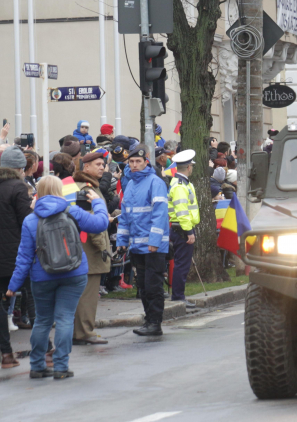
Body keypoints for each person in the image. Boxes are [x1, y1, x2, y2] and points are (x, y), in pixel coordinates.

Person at [5, 176, 108, 379]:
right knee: (65, 318)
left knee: (42, 321)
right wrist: (97, 201)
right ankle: (61, 366)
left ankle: (37, 365)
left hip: (42, 276)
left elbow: (24, 257)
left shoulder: (30, 219)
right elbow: (101, 223)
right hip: (74, 272)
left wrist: (13, 286)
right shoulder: (72, 212)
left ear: (38, 193)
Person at [117, 144, 170, 337]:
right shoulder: (130, 184)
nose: (134, 165)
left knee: (153, 286)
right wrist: (121, 241)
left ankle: (155, 323)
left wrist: (154, 241)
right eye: (131, 162)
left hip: (153, 246)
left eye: (138, 161)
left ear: (145, 162)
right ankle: (149, 320)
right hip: (137, 245)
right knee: (143, 287)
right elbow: (125, 216)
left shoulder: (155, 183)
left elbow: (160, 214)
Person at [71, 152, 112, 345]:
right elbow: (91, 222)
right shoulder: (87, 189)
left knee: (82, 293)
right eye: (97, 164)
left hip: (83, 247)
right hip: (90, 249)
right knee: (88, 295)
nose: (102, 167)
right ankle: (85, 332)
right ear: (85, 167)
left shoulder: (87, 186)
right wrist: (103, 248)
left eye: (103, 164)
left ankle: (79, 331)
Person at [0, 147, 32, 369]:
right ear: (20, 169)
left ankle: (6, 354)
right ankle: (47, 350)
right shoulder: (18, 187)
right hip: (16, 254)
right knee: (34, 298)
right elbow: (27, 222)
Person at [168, 150, 200, 307]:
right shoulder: (181, 186)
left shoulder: (181, 183)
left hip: (180, 228)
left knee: (182, 264)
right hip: (182, 229)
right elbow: (182, 211)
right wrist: (189, 232)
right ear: (188, 167)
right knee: (182, 265)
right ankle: (178, 297)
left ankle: (178, 295)